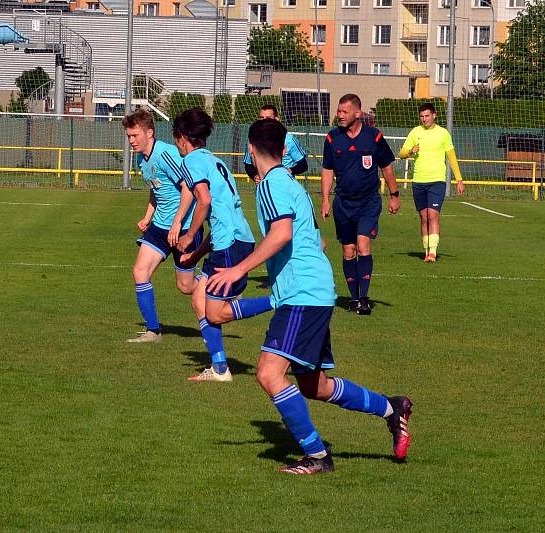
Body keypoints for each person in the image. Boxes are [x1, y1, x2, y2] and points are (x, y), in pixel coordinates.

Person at [207, 118, 412, 474]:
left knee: (270, 374)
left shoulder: (270, 184)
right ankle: (391, 408)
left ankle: (318, 456)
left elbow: (282, 234)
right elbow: (316, 240)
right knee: (314, 385)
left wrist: (239, 270)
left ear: (251, 150)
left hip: (303, 291)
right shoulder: (291, 183)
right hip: (312, 289)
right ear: (285, 151)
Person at [173, 108, 273, 382]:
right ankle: (220, 369)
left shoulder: (192, 161)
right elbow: (221, 217)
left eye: (176, 140)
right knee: (198, 300)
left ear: (182, 138)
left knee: (215, 313)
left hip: (229, 245)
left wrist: (188, 235)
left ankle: (279, 301)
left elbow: (204, 202)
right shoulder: (216, 161)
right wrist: (197, 253)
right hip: (233, 239)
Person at [122, 108, 205, 343]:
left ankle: (218, 284)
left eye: (135, 135)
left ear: (150, 132)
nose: (131, 141)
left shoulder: (166, 153)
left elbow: (189, 187)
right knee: (140, 272)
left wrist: (178, 222)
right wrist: (148, 216)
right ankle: (153, 331)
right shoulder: (142, 159)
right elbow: (156, 189)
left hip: (185, 227)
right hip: (160, 227)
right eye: (129, 136)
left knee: (186, 286)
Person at [320, 94, 401, 316]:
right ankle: (353, 298)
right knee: (348, 251)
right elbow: (327, 170)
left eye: (344, 112)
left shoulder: (374, 137)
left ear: (358, 113)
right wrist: (325, 199)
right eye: (339, 111)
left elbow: (387, 168)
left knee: (363, 244)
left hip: (368, 202)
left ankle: (364, 298)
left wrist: (394, 195)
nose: (340, 115)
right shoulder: (332, 138)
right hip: (343, 203)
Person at [397, 102, 465, 263]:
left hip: (437, 181)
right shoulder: (415, 132)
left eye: (427, 116)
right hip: (418, 180)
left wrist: (459, 180)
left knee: (433, 215)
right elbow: (401, 154)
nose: (424, 119)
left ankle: (432, 253)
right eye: (421, 116)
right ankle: (426, 249)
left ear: (434, 115)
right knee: (423, 217)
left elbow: (452, 157)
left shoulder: (443, 133)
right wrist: (410, 151)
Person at [243, 104, 309, 183]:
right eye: (261, 118)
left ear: (276, 119)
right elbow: (248, 164)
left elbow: (303, 165)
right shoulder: (253, 139)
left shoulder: (289, 139)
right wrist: (254, 175)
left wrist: (290, 171)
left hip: (284, 185)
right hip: (263, 186)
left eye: (268, 118)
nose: (264, 121)